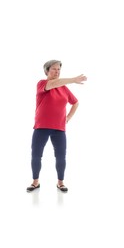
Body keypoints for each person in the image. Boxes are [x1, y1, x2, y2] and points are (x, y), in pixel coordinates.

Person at [27, 60, 87, 193]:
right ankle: (35, 182)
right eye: (54, 69)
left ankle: (60, 182)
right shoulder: (42, 83)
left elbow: (75, 103)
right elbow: (53, 83)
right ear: (47, 71)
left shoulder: (64, 88)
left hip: (59, 128)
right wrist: (73, 79)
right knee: (36, 155)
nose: (57, 71)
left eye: (59, 69)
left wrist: (68, 118)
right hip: (41, 127)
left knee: (61, 156)